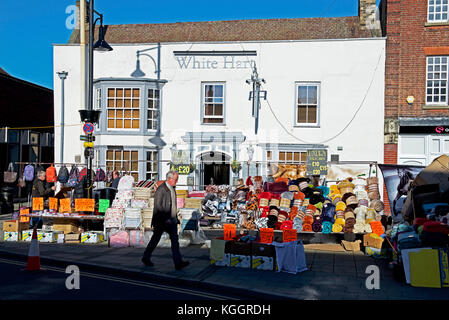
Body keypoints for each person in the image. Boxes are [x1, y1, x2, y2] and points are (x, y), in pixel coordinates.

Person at [142, 171, 189, 270]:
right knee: (155, 239)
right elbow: (158, 207)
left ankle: (178, 262)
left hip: (171, 220)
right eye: (176, 179)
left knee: (175, 241)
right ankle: (146, 257)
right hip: (162, 221)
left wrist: (174, 218)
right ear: (169, 179)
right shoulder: (161, 190)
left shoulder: (172, 188)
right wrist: (165, 219)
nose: (177, 181)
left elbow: (172, 205)